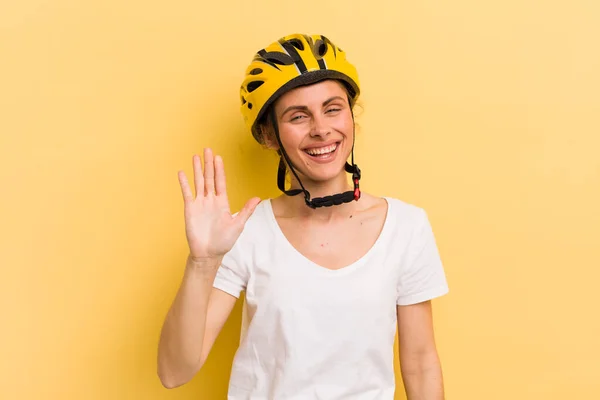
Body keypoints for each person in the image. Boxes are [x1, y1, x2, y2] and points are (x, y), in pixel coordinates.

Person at [157, 33, 449, 399]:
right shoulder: (244, 232)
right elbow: (173, 371)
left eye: (332, 108)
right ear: (270, 136)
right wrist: (202, 262)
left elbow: (421, 363)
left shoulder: (407, 227)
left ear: (351, 115)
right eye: (298, 116)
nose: (321, 129)